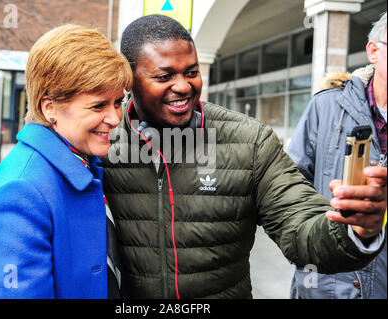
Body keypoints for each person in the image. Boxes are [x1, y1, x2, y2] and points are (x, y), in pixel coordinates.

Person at [100, 14, 387, 299]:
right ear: (129, 79)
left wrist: (355, 229)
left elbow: (300, 226)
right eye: (164, 76)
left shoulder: (250, 140)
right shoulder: (102, 143)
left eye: (191, 72)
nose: (184, 86)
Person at [0, 24, 132, 298]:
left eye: (118, 102)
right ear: (50, 108)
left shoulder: (79, 161)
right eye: (98, 106)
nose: (115, 117)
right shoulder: (21, 191)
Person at [288, 12, 387, 299]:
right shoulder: (327, 107)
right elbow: (291, 187)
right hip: (324, 281)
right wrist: (309, 247)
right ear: (373, 51)